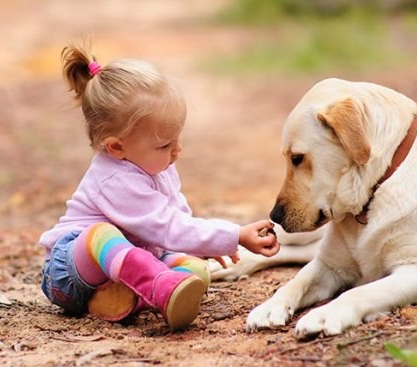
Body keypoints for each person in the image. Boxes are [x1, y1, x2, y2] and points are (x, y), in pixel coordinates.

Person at [38, 43, 279, 330]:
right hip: (72, 272)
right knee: (101, 234)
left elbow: (177, 213)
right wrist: (234, 235)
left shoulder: (158, 164)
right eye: (165, 144)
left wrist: (203, 244)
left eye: (177, 138)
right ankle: (156, 285)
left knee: (194, 270)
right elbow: (166, 226)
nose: (177, 150)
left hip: (128, 265)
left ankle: (123, 298)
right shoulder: (114, 179)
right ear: (116, 147)